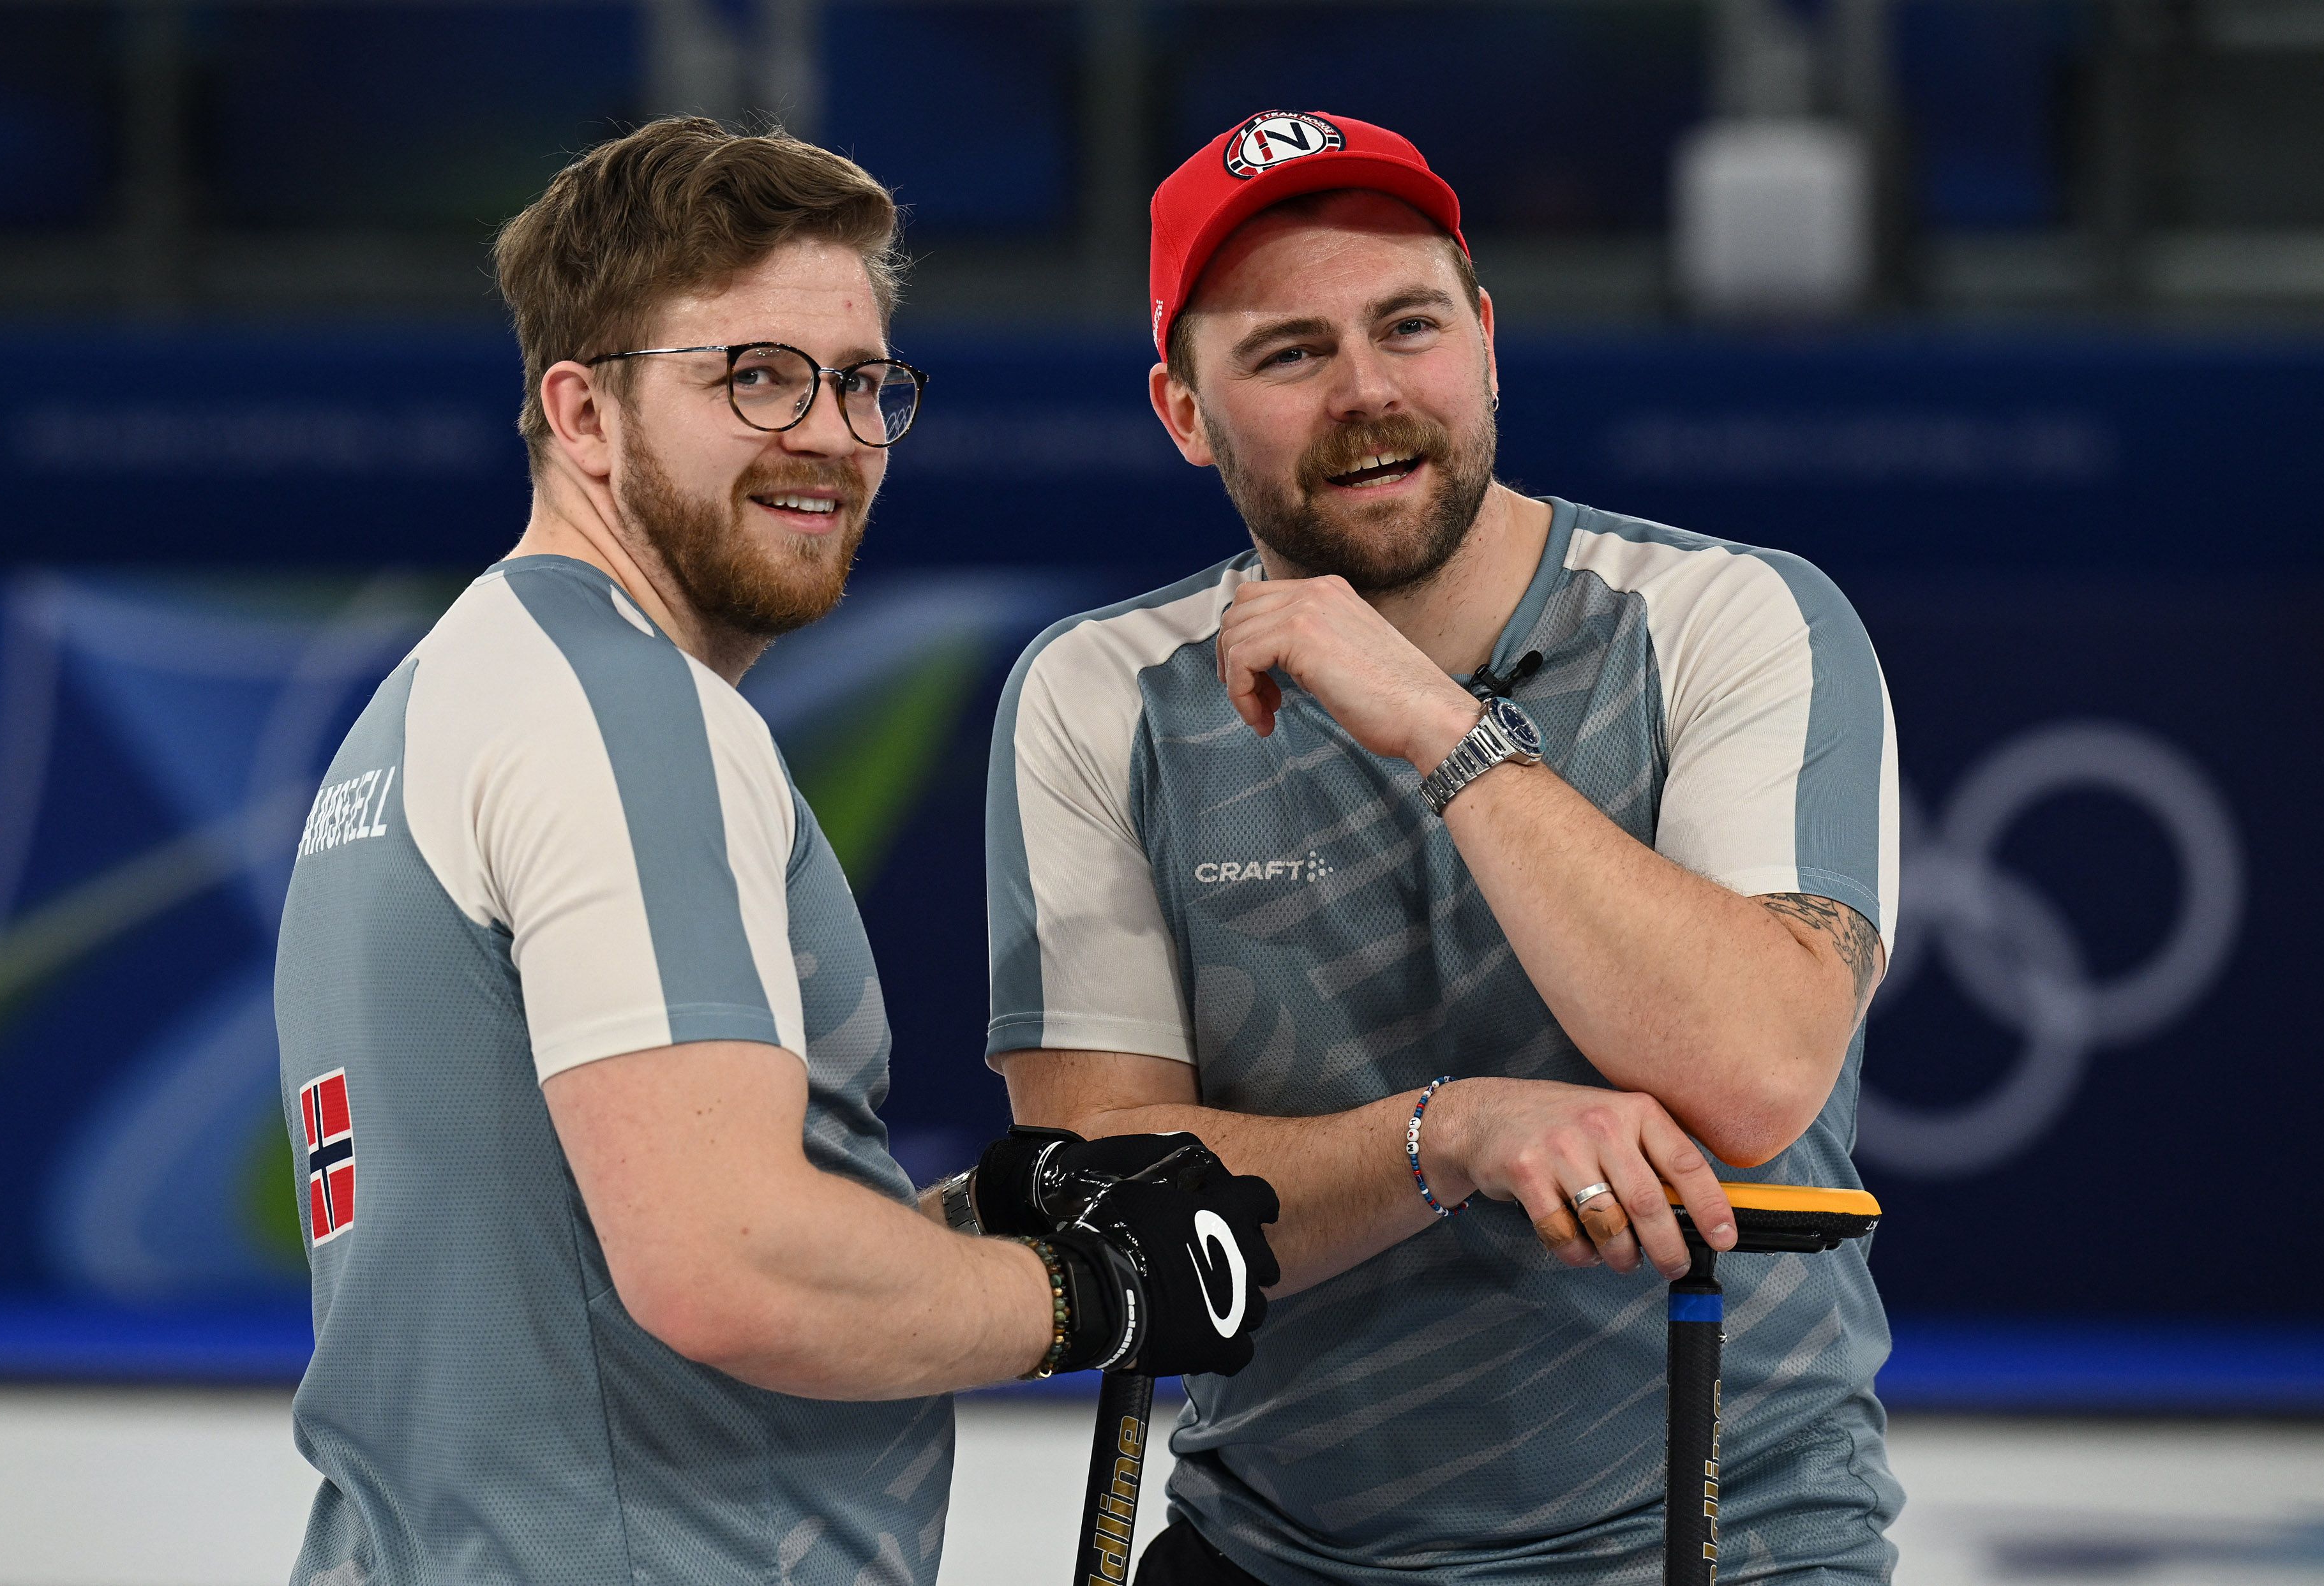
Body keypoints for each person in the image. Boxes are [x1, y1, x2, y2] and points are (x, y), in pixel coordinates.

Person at [272, 117, 1278, 1586]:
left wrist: (963, 1225)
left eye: (864, 383)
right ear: (584, 413)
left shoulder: (447, 697)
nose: (829, 432)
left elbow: (591, 1238)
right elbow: (725, 1266)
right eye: (755, 375)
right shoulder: (624, 718)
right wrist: (1088, 1293)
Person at [983, 110, 1902, 1585]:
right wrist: (1452, 1135)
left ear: (1484, 338)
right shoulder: (1102, 689)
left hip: (1720, 1535)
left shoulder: (1736, 618)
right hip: (1271, 1546)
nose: (1366, 392)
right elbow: (1108, 1185)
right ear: (1180, 410)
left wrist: (1441, 726)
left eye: (1407, 325)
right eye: (1287, 353)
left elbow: (1754, 1070)